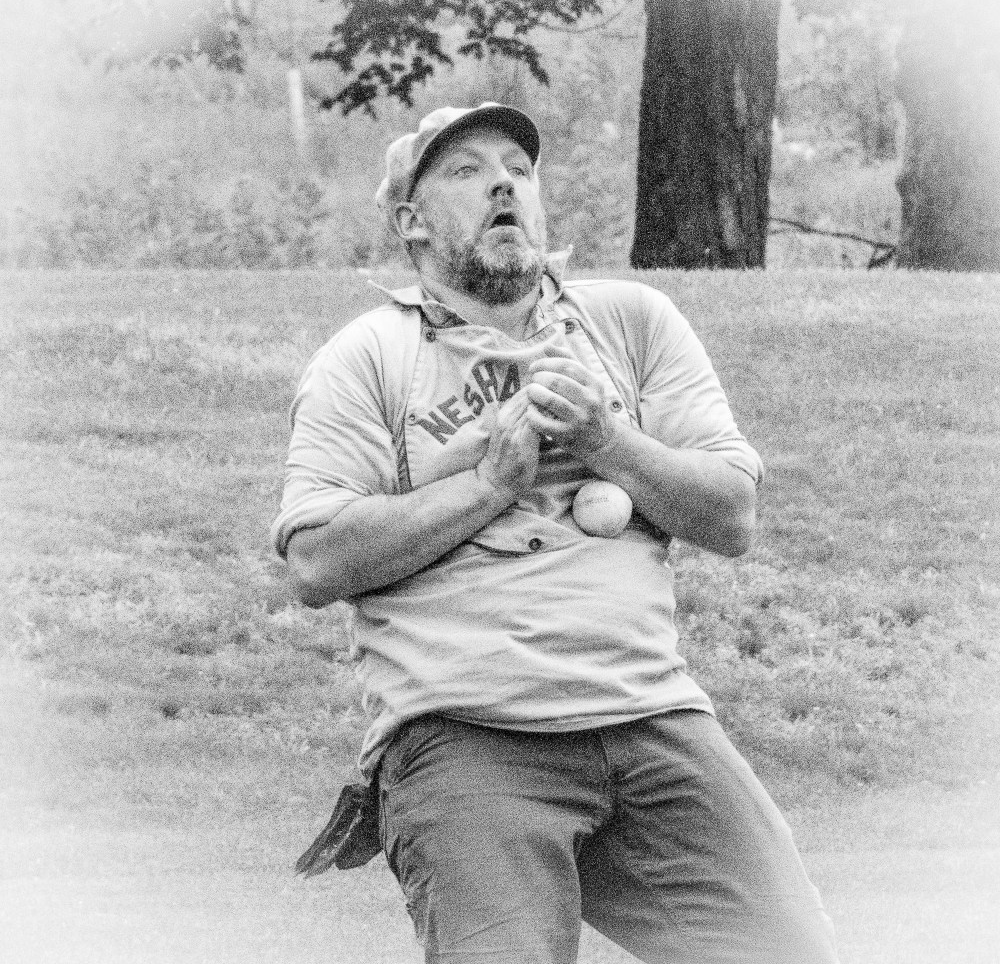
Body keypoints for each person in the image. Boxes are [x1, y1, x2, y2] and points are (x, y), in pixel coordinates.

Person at [273, 102, 839, 964]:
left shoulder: (631, 322)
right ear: (410, 221)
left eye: (519, 169)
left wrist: (608, 440)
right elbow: (315, 560)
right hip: (466, 733)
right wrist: (488, 485)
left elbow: (733, 514)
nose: (504, 182)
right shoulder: (369, 356)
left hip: (652, 714)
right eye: (465, 171)